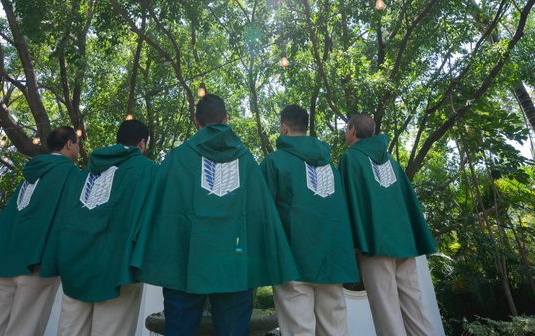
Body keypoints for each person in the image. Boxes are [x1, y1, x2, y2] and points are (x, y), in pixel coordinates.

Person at [131, 94, 298, 336]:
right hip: (235, 265)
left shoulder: (177, 159)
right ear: (226, 119)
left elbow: (159, 213)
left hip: (184, 261)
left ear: (195, 121)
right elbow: (260, 214)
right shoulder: (246, 161)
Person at [41, 119, 157, 336]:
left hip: (75, 262)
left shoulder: (84, 172)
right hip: (118, 266)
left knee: (70, 330)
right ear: (142, 143)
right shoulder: (148, 169)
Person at [260, 104, 359, 336]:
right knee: (335, 330)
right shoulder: (330, 166)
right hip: (331, 259)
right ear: (305, 127)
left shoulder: (273, 162)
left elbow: (262, 214)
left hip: (292, 260)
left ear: (284, 128)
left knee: (299, 331)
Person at [0, 126, 81, 336]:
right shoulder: (70, 173)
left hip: (8, 261)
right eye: (78, 144)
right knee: (25, 328)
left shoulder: (31, 173)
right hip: (37, 263)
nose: (78, 149)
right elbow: (71, 218)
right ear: (69, 143)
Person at [339, 113, 437, 336]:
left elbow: (349, 201)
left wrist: (355, 244)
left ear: (353, 129)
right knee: (415, 307)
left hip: (376, 244)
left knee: (387, 311)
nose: (345, 133)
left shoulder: (350, 158)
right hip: (405, 242)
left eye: (347, 128)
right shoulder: (391, 160)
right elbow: (405, 199)